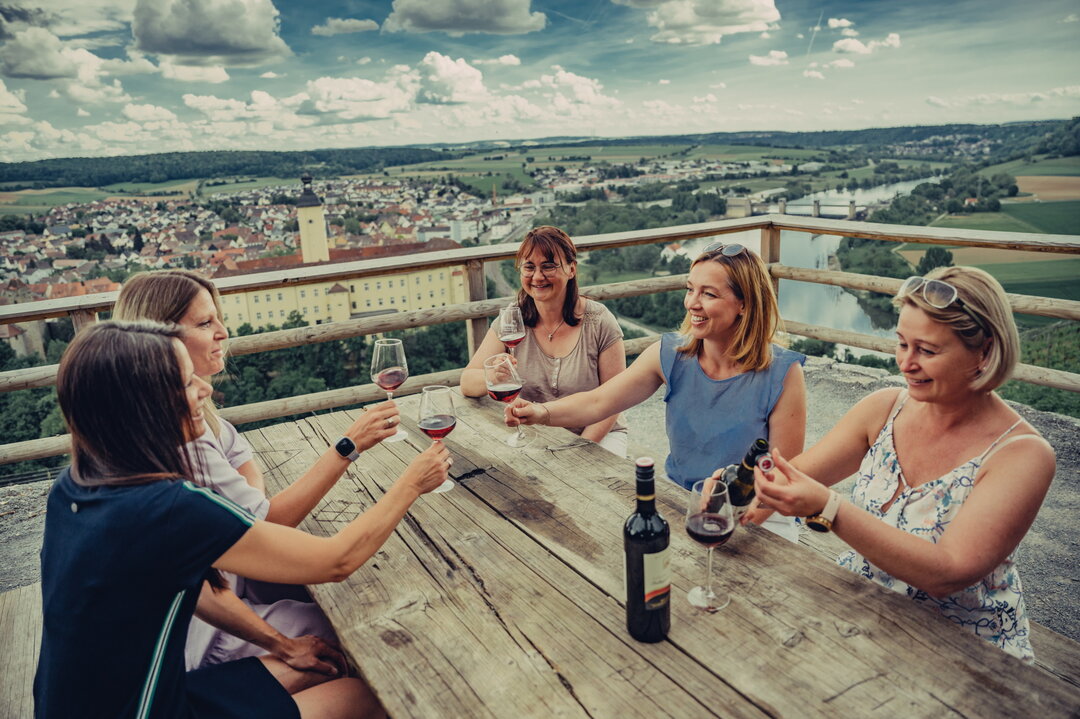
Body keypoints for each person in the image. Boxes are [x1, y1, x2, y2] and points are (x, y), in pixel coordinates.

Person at [35, 320, 450, 718]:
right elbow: (336, 560)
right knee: (363, 698)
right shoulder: (166, 508)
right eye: (186, 381)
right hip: (150, 709)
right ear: (145, 406)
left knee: (327, 662)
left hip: (110, 700)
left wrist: (283, 646)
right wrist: (410, 484)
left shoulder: (74, 485)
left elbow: (197, 590)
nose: (205, 387)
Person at [752, 266, 1056, 662]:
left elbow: (946, 573)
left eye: (927, 351)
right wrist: (736, 486)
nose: (906, 363)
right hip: (862, 616)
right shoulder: (883, 408)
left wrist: (830, 508)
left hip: (968, 655)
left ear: (984, 352)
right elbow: (793, 479)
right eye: (901, 343)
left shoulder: (1024, 455)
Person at [114, 270, 400, 676]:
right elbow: (275, 523)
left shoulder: (195, 414)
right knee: (363, 629)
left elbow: (242, 456)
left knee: (351, 602)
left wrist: (248, 503)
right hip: (204, 641)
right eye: (205, 323)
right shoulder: (178, 444)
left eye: (217, 318)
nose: (223, 332)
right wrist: (349, 447)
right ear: (159, 341)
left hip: (229, 594)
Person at [506, 240, 807, 541]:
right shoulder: (671, 354)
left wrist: (734, 516)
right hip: (682, 500)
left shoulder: (783, 374)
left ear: (745, 304)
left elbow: (784, 474)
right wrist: (541, 412)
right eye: (691, 289)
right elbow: (599, 401)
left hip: (757, 515)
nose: (692, 303)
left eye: (709, 294)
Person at [460, 226, 628, 456]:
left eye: (548, 266)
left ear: (571, 269)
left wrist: (578, 450)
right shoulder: (512, 320)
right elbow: (467, 382)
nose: (537, 277)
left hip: (598, 435)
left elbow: (614, 402)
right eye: (529, 267)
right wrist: (492, 376)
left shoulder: (599, 321)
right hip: (536, 433)